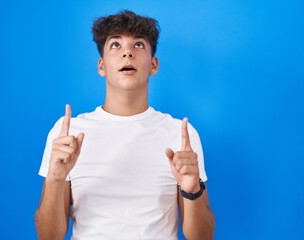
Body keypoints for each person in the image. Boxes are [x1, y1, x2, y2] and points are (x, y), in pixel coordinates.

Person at [35, 10, 215, 240]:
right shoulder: (67, 134)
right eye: (115, 45)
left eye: (138, 45)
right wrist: (55, 178)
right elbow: (48, 236)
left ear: (153, 64)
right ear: (101, 66)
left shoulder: (181, 135)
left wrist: (192, 190)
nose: (127, 53)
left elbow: (203, 237)